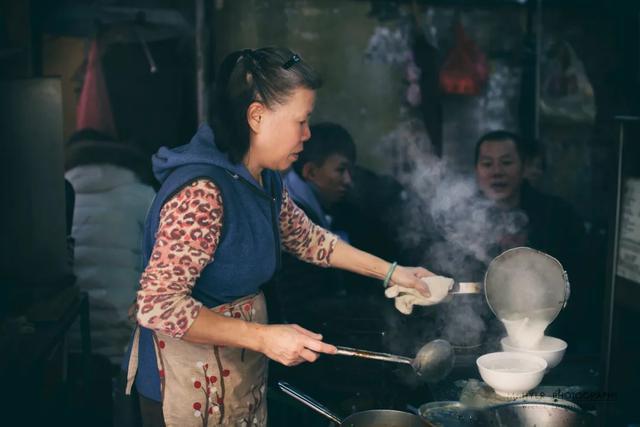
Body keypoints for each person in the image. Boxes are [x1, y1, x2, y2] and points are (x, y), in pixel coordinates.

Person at [121, 47, 433, 426]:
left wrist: (394, 273)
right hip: (185, 390)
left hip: (236, 377)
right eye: (300, 121)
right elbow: (158, 304)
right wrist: (264, 338)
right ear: (256, 116)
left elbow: (310, 239)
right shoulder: (203, 193)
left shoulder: (264, 179)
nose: (307, 134)